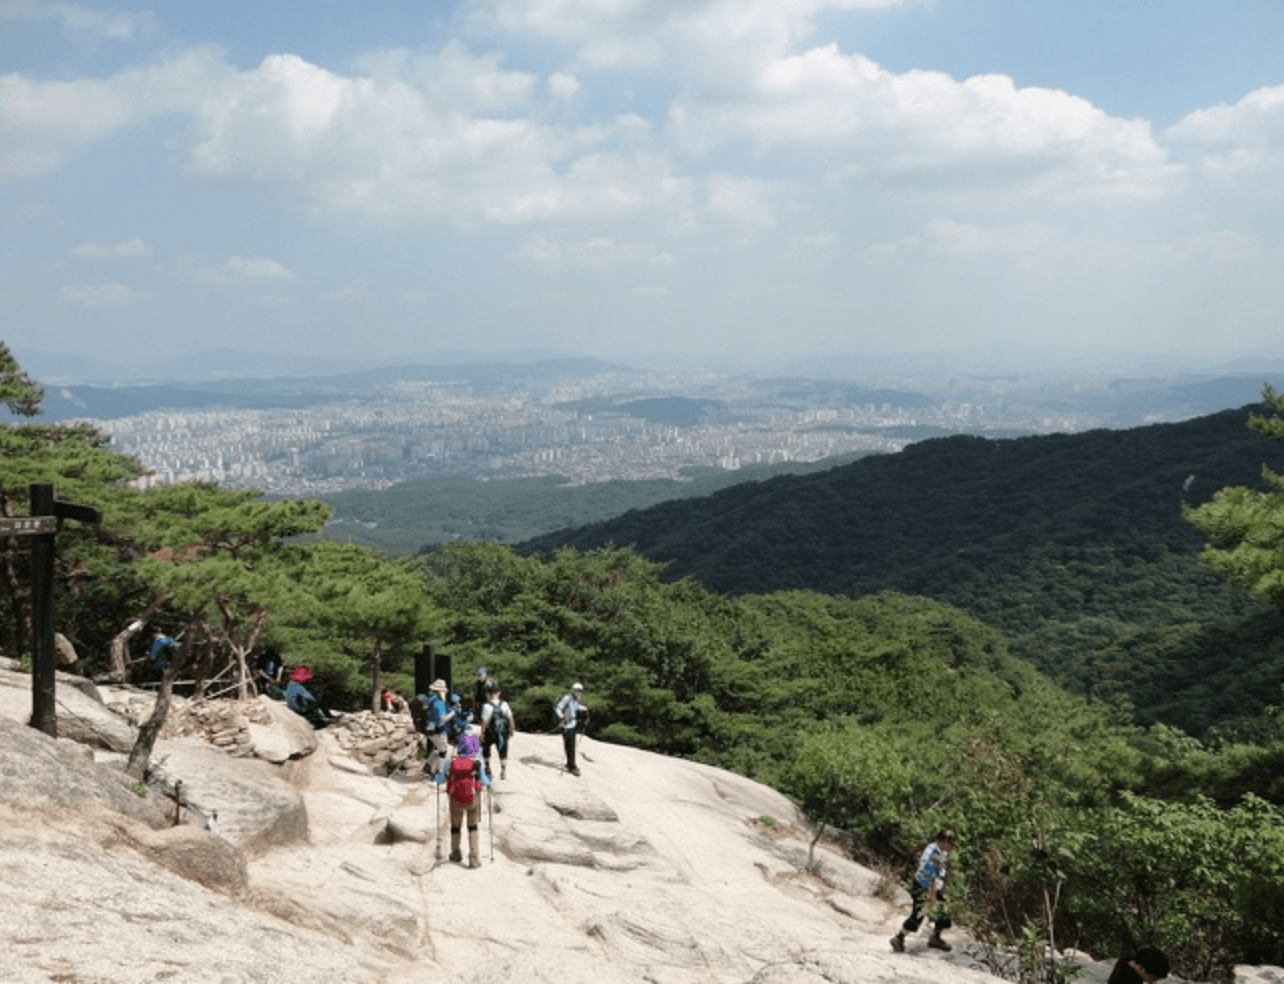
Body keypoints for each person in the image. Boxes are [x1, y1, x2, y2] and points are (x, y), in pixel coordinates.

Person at [890, 828, 956, 953]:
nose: (951, 847)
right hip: (922, 886)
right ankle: (898, 938)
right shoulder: (932, 850)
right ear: (943, 841)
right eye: (950, 844)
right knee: (918, 914)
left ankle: (935, 937)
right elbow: (926, 868)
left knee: (943, 911)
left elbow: (941, 872)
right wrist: (931, 891)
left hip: (934, 886)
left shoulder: (942, 852)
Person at [434, 731, 492, 868]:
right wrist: (489, 781)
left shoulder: (450, 759)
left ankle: (455, 853)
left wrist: (437, 777)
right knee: (472, 827)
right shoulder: (477, 760)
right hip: (472, 799)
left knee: (455, 826)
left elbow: (440, 780)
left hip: (455, 799)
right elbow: (485, 781)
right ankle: (474, 858)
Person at [479, 679, 516, 780]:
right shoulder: (504, 704)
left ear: (488, 694)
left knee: (486, 750)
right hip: (502, 731)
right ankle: (503, 771)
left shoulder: (486, 706)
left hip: (490, 732)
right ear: (498, 693)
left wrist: (482, 733)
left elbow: (485, 721)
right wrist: (512, 729)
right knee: (503, 752)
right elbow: (510, 717)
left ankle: (487, 769)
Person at [419, 679, 456, 775]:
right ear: (440, 691)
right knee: (443, 751)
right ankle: (438, 771)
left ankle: (427, 766)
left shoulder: (431, 699)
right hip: (438, 730)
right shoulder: (439, 703)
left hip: (430, 729)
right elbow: (443, 718)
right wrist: (453, 713)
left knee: (437, 748)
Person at [554, 681, 589, 776]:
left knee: (570, 745)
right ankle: (572, 766)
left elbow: (576, 707)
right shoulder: (567, 698)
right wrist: (561, 716)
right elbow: (558, 708)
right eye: (579, 690)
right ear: (573, 690)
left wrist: (584, 708)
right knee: (570, 745)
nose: (580, 692)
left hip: (572, 724)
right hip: (566, 725)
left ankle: (570, 763)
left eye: (581, 691)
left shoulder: (575, 700)